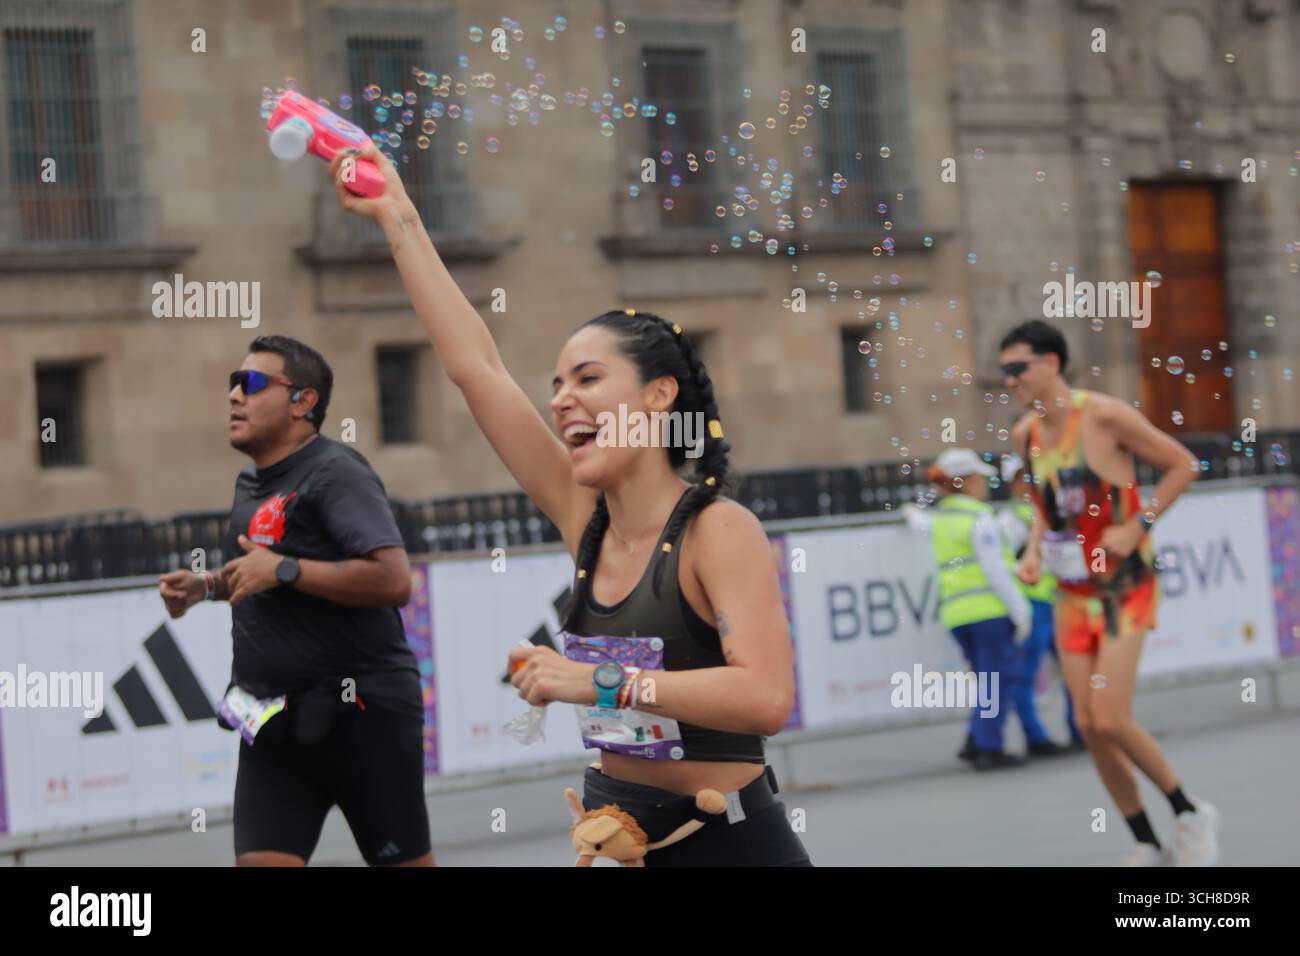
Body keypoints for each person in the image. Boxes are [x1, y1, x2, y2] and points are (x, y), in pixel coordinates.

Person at [329, 141, 810, 865]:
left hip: (732, 848)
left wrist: (597, 682)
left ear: (658, 396)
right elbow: (475, 368)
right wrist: (397, 214)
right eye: (556, 385)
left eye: (586, 378)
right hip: (620, 847)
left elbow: (767, 697)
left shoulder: (717, 529)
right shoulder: (583, 516)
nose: (562, 401)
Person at [157, 335, 432, 867]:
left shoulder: (337, 472)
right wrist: (207, 586)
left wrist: (285, 569)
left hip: (362, 716)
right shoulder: (251, 482)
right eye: (233, 383)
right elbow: (262, 574)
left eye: (253, 383)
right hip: (272, 720)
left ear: (303, 401)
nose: (235, 395)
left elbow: (393, 579)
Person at [1000, 319, 1220, 866]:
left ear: (1051, 364)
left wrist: (1137, 525)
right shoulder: (1024, 433)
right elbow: (1043, 508)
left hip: (1125, 587)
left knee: (1110, 715)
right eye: (1003, 371)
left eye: (1017, 368)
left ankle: (1190, 810)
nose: (1009, 381)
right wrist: (1032, 550)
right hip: (1072, 592)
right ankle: (1146, 840)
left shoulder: (1102, 415)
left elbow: (1182, 465)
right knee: (1088, 723)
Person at [905, 448, 1033, 770]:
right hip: (988, 612)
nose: (986, 485)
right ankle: (988, 746)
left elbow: (918, 522)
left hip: (956, 615)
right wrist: (1020, 612)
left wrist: (908, 513)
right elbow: (997, 572)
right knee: (997, 681)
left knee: (986, 680)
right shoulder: (978, 518)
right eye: (980, 478)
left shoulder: (939, 519)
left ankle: (975, 740)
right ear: (967, 482)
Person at [998, 454, 1083, 754]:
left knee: (1075, 670)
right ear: (1012, 483)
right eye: (1023, 478)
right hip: (1033, 602)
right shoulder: (1010, 520)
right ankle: (1035, 736)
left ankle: (1080, 729)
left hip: (1059, 599)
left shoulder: (1052, 510)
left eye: (1033, 476)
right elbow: (1007, 565)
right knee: (1027, 672)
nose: (1030, 483)